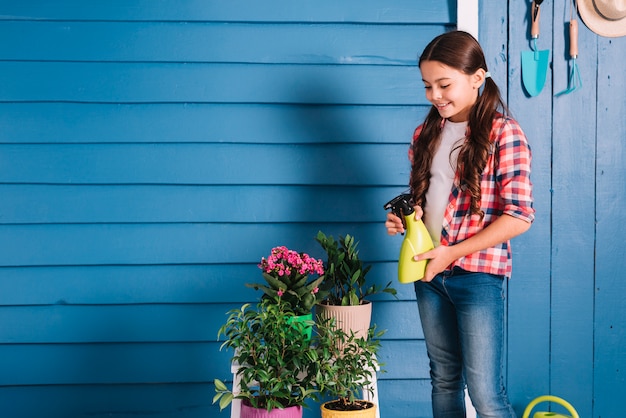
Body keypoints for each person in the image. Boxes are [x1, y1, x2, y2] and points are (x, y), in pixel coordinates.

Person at [385, 31, 535, 418]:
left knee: (485, 395)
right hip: (428, 273)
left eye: (444, 84)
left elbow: (518, 216)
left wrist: (452, 251)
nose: (435, 95)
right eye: (428, 86)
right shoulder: (426, 134)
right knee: (444, 380)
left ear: (477, 77)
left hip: (478, 278)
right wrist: (406, 218)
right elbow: (427, 202)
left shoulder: (504, 133)